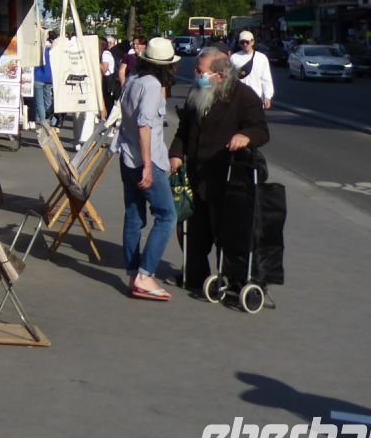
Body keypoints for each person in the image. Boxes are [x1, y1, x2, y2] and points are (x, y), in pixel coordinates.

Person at [170, 47, 269, 293]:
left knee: (227, 232)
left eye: (200, 71)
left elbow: (261, 130)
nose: (196, 74)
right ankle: (195, 274)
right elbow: (184, 129)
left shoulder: (243, 96)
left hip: (226, 176)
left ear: (220, 76)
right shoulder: (197, 92)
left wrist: (245, 136)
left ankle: (233, 279)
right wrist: (175, 154)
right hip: (195, 172)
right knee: (193, 229)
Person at [117, 35, 179, 300]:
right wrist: (149, 167)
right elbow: (145, 125)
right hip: (146, 158)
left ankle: (134, 272)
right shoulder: (153, 86)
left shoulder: (132, 79)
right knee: (167, 216)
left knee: (134, 216)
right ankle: (145, 274)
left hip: (127, 156)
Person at [231, 30, 274, 110]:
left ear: (252, 42)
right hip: (239, 100)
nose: (245, 44)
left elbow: (266, 79)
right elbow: (230, 79)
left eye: (247, 42)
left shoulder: (261, 58)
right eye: (242, 42)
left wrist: (268, 97)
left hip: (256, 98)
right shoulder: (234, 58)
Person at [101, 34, 120, 115]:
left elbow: (104, 69)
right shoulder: (109, 53)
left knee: (108, 100)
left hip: (108, 79)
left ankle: (109, 117)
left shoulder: (105, 53)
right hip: (111, 78)